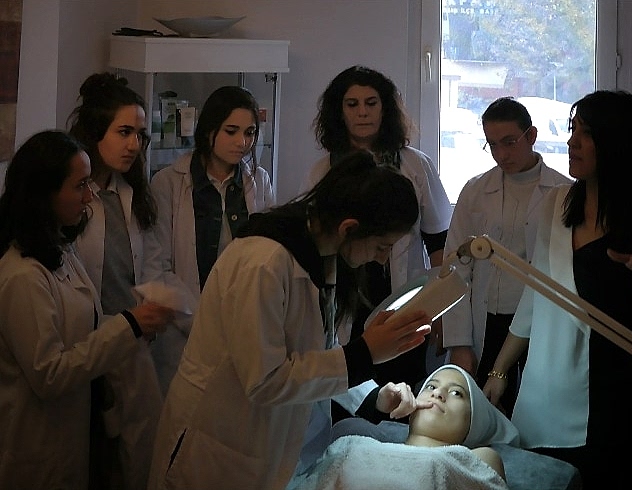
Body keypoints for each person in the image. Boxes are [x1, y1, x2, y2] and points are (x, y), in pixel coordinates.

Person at [147, 150, 436, 490]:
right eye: (381, 246)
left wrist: (374, 396)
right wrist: (364, 355)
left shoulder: (322, 257)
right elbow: (265, 379)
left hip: (273, 447)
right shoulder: (262, 263)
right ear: (349, 227)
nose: (383, 259)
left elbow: (319, 351)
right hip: (216, 444)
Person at [483, 90, 632, 487]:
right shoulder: (556, 205)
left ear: (619, 143)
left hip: (615, 408)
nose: (572, 142)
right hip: (546, 396)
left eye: (587, 134)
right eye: (573, 130)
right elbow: (537, 293)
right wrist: (500, 369)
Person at [0, 130, 172, 489]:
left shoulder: (62, 250)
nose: (90, 196)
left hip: (73, 432)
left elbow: (84, 327)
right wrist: (127, 326)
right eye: (80, 186)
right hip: (37, 447)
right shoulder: (22, 276)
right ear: (44, 194)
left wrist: (137, 325)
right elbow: (49, 375)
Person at [304, 65, 452, 392]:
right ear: (339, 112)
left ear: (385, 109)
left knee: (403, 392)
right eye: (352, 104)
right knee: (350, 387)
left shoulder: (416, 165)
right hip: (347, 299)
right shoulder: (323, 171)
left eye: (371, 103)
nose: (363, 112)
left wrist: (441, 307)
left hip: (404, 298)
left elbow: (439, 240)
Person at [67, 72, 167, 490]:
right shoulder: (73, 197)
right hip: (83, 342)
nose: (134, 145)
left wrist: (154, 309)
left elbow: (149, 263)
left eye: (140, 135)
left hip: (131, 338)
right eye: (124, 132)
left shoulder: (132, 192)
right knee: (87, 452)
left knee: (138, 451)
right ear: (95, 133)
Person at [443, 97, 570, 415]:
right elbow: (455, 268)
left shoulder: (564, 192)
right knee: (482, 414)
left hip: (537, 322)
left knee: (534, 411)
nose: (501, 154)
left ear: (531, 135)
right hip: (487, 320)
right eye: (493, 145)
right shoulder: (475, 190)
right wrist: (459, 343)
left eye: (510, 142)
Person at [146, 85, 276, 394]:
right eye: (231, 131)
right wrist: (200, 321)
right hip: (185, 328)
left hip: (243, 324)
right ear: (209, 130)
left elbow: (271, 255)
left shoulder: (258, 181)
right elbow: (156, 265)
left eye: (249, 133)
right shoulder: (168, 183)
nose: (242, 142)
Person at [290, 364, 519, 489]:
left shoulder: (474, 459)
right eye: (431, 386)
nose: (438, 393)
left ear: (474, 423)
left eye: (456, 393)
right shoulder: (351, 444)